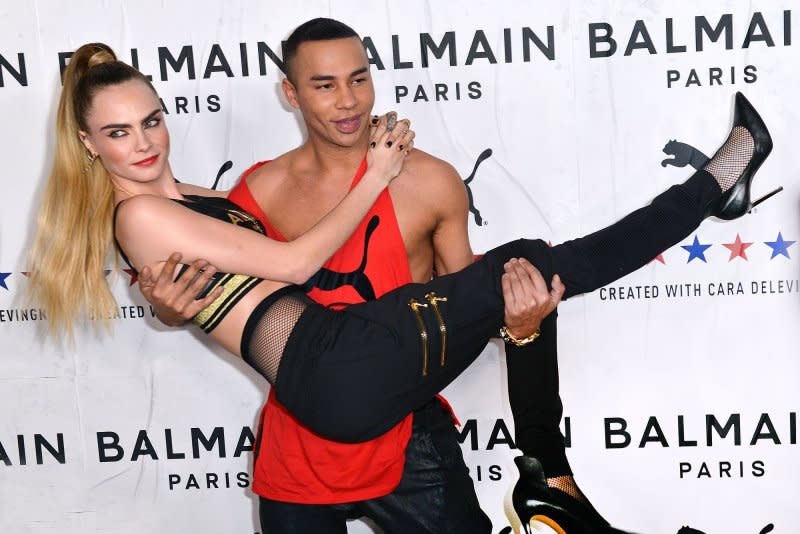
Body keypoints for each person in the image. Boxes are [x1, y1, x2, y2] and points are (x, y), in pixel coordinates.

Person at [31, 35, 773, 534]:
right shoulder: (147, 215)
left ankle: (548, 473)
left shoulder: (191, 197)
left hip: (370, 382)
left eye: (152, 119)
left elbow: (211, 285)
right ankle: (714, 188)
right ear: (90, 146)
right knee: (538, 259)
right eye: (120, 132)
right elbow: (287, 268)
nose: (146, 139)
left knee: (528, 273)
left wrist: (515, 322)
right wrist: (376, 175)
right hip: (332, 378)